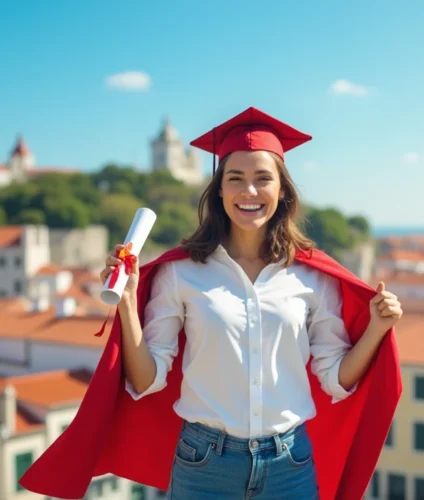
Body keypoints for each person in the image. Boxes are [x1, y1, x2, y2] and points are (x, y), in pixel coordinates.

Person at [19, 107, 403, 500]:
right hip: (205, 466)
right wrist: (129, 302)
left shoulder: (314, 277)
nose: (248, 191)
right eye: (235, 179)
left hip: (290, 465)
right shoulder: (180, 272)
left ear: (283, 190)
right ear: (219, 190)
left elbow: (336, 380)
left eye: (262, 179)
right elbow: (146, 379)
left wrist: (376, 328)